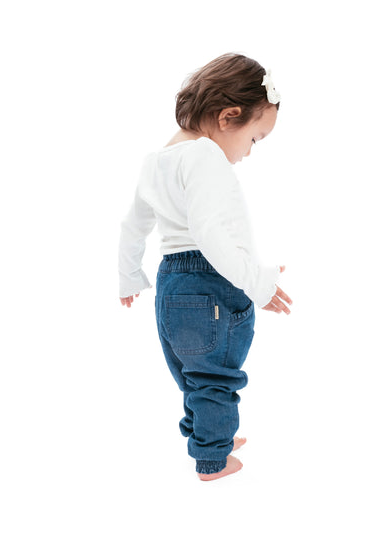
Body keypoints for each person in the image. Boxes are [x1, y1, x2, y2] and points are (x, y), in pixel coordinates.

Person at [118, 52, 292, 481]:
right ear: (229, 117)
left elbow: (133, 225)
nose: (249, 153)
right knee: (215, 377)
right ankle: (213, 459)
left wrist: (128, 275)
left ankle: (209, 435)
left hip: (171, 284)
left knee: (194, 373)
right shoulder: (205, 156)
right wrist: (259, 284)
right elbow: (211, 235)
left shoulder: (156, 160)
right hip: (209, 282)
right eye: (255, 139)